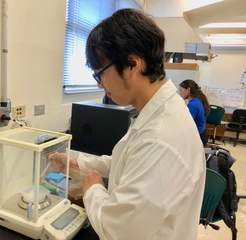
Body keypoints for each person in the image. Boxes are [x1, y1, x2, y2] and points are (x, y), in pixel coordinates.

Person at [49, 9, 205, 240]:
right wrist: (78, 162)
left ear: (132, 64)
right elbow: (129, 161)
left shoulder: (162, 136)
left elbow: (118, 230)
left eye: (99, 74)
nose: (100, 85)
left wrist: (92, 188)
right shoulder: (156, 112)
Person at [179, 79, 210, 147]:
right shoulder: (198, 101)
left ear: (188, 90)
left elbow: (186, 124)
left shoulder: (192, 105)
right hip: (202, 134)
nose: (180, 93)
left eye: (181, 90)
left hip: (198, 138)